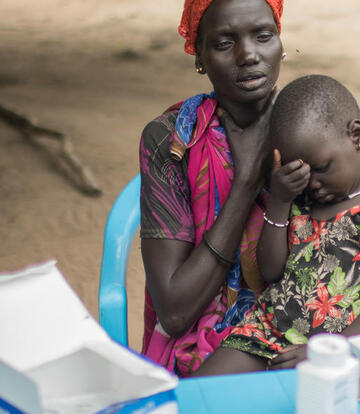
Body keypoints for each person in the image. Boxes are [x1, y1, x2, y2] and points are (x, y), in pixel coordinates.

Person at [193, 74, 360, 375]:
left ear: (357, 136)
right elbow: (271, 271)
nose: (313, 183)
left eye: (321, 167)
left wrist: (333, 349)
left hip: (340, 349)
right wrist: (279, 201)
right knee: (197, 393)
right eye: (300, 170)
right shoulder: (300, 204)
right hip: (264, 335)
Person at [138, 0, 285, 377]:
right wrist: (247, 180)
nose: (249, 54)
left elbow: (356, 234)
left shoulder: (312, 124)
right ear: (200, 57)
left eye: (263, 36)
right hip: (205, 349)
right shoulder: (173, 141)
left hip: (300, 325)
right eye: (223, 43)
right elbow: (174, 311)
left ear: (280, 42)